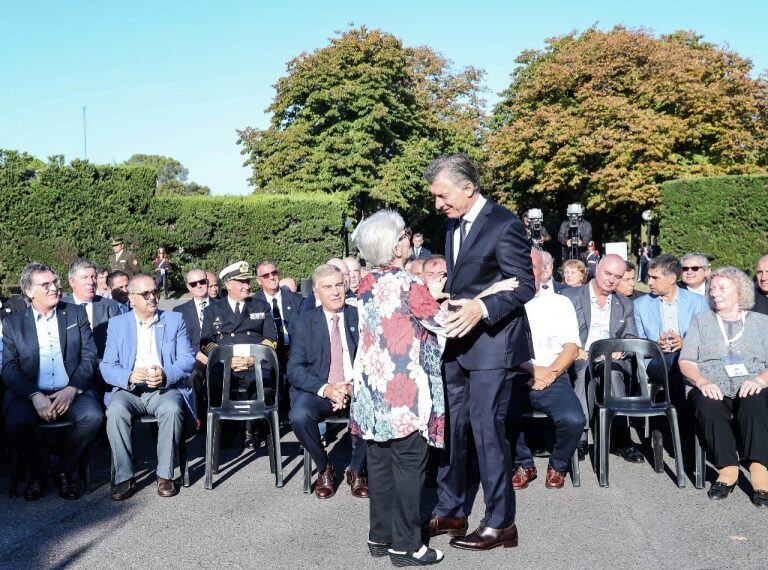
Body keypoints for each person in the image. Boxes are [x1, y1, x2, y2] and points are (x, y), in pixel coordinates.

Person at [426, 153, 534, 552]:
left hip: (494, 344)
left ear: (468, 188)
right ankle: (452, 508)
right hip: (458, 341)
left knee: (488, 429)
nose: (438, 205)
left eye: (443, 196)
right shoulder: (453, 223)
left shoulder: (505, 224)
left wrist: (481, 308)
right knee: (451, 426)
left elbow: (524, 285)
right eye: (436, 197)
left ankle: (501, 522)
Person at [350, 210, 451, 566]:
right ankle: (407, 546)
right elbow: (443, 324)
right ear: (395, 246)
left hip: (372, 388)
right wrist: (446, 298)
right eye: (405, 233)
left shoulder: (364, 282)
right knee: (410, 464)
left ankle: (380, 536)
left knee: (379, 462)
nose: (410, 238)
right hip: (404, 390)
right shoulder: (409, 284)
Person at [2, 262, 102, 501]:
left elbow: (90, 357)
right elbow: (8, 367)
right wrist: (34, 395)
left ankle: (64, 470)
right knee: (15, 424)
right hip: (31, 393)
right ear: (29, 291)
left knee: (93, 417)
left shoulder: (74, 313)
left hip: (71, 390)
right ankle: (38, 474)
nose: (53, 288)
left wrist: (72, 388)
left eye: (54, 282)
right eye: (45, 285)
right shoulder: (13, 323)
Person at [679, 267, 768, 507]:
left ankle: (760, 473)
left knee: (755, 401)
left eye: (722, 288)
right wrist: (702, 381)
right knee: (707, 404)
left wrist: (760, 379)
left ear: (739, 292)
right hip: (710, 383)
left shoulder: (761, 323)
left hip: (753, 381)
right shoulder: (701, 321)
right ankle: (728, 470)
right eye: (712, 288)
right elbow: (686, 361)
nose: (714, 293)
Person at [101, 274, 195, 501]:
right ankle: (125, 476)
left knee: (172, 409)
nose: (152, 297)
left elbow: (188, 359)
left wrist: (166, 374)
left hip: (163, 389)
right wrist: (129, 375)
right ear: (132, 299)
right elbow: (106, 366)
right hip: (129, 390)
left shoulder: (174, 320)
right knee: (115, 410)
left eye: (154, 291)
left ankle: (165, 475)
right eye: (145, 294)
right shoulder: (117, 325)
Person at [288, 264, 367, 499]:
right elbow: (294, 369)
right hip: (320, 389)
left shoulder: (359, 315)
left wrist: (353, 386)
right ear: (316, 293)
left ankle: (357, 469)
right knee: (299, 416)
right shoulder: (304, 322)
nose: (335, 292)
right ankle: (324, 467)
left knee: (370, 407)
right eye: (327, 287)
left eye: (338, 285)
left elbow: (374, 360)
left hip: (356, 387)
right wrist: (327, 389)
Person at [509, 248, 585, 490]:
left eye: (532, 267)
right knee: (499, 417)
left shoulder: (561, 303)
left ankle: (558, 464)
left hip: (554, 376)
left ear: (544, 270)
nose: (527, 271)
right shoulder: (505, 303)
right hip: (516, 375)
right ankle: (524, 463)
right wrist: (532, 371)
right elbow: (502, 349)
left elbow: (572, 347)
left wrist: (549, 373)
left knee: (574, 420)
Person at [562, 254, 643, 463]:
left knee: (615, 372)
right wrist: (572, 350)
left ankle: (620, 438)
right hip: (580, 354)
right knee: (582, 372)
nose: (611, 280)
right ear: (596, 269)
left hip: (610, 357)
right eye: (607, 273)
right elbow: (558, 332)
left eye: (617, 276)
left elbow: (632, 338)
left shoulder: (625, 304)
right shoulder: (570, 297)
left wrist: (621, 350)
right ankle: (580, 438)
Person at [200, 261, 278, 448]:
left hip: (255, 362)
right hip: (227, 364)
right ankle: (225, 428)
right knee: (214, 385)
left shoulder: (261, 306)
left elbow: (271, 338)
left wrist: (254, 359)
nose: (246, 286)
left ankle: (256, 428)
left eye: (247, 281)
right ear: (228, 284)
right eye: (241, 282)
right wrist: (227, 359)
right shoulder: (213, 310)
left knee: (266, 387)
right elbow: (205, 342)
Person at [634, 254, 709, 415]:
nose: (649, 282)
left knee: (678, 363)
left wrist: (685, 343)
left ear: (672, 278)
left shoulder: (698, 302)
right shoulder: (640, 305)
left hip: (689, 359)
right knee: (676, 363)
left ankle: (675, 424)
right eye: (649, 277)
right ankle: (682, 425)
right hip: (655, 361)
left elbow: (707, 337)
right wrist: (655, 345)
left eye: (655, 278)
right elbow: (638, 342)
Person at [253, 260, 305, 418]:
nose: (271, 277)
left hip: (293, 349)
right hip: (268, 351)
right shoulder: (253, 304)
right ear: (259, 281)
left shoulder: (296, 299)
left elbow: (305, 329)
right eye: (266, 275)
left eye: (274, 273)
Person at [62, 258, 122, 359]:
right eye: (85, 277)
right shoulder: (61, 307)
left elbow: (120, 341)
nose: (91, 282)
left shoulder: (110, 306)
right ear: (72, 282)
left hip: (102, 367)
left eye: (93, 277)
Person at [173, 268, 212, 420]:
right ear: (189, 287)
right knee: (194, 375)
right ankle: (199, 418)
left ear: (207, 283)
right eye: (194, 284)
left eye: (202, 282)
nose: (199, 286)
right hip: (193, 356)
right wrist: (197, 353)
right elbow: (180, 340)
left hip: (219, 355)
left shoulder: (221, 306)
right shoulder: (179, 311)